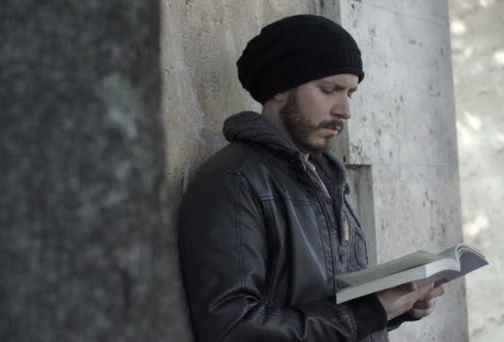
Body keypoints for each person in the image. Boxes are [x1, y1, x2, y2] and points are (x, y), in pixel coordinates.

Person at [178, 14, 444, 342]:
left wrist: (397, 306)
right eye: (329, 89)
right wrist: (370, 312)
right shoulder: (233, 182)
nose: (345, 110)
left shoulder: (327, 181)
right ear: (280, 88)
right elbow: (232, 328)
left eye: (351, 93)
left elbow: (331, 301)